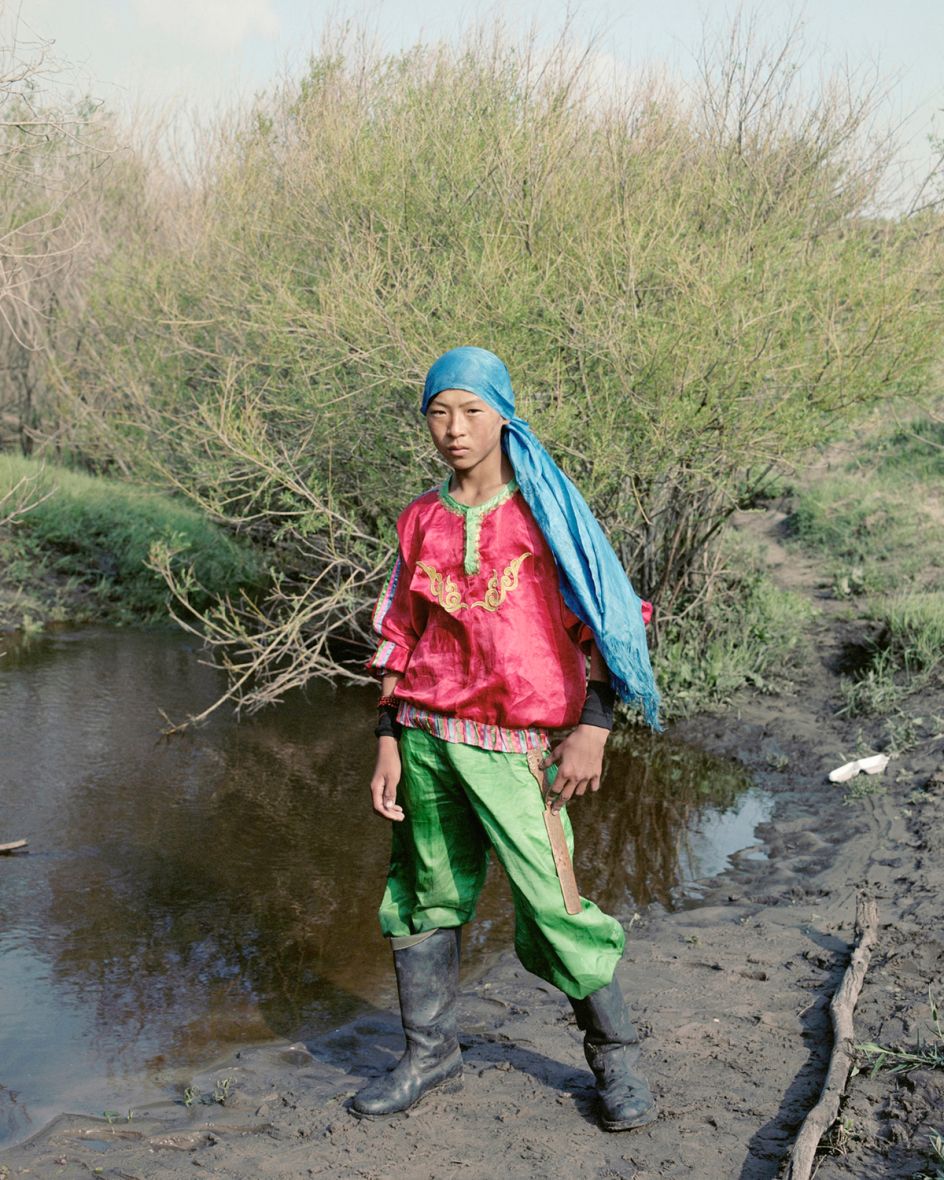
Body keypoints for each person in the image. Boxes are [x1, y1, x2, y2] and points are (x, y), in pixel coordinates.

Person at [352, 346, 661, 1132]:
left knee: (552, 902)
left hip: (514, 746)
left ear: (503, 417)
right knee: (425, 896)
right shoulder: (420, 518)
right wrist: (388, 736)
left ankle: (616, 1058)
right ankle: (430, 1053)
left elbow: (604, 622)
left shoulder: (545, 517)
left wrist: (593, 725)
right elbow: (399, 630)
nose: (454, 430)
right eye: (438, 412)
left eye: (471, 411)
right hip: (424, 737)